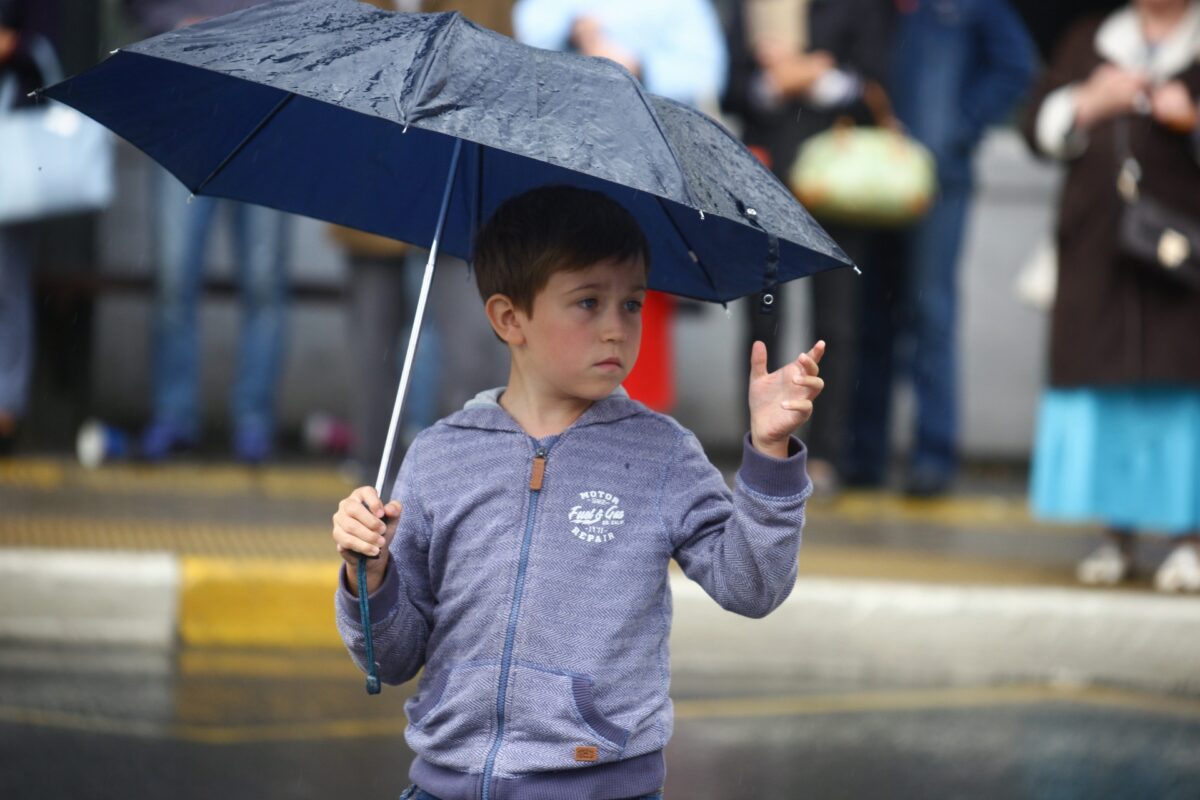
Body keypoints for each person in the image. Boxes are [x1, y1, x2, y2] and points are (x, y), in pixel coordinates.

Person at [330, 186, 824, 799]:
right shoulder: (440, 455)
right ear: (509, 319)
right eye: (588, 302)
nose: (616, 329)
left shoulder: (662, 453)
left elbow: (752, 586)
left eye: (632, 303)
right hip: (443, 785)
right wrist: (370, 576)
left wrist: (771, 454)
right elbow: (391, 659)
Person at [1022, 0, 1200, 591]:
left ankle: (1189, 540)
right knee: (1107, 391)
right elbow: (1035, 127)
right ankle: (1115, 535)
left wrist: (1189, 119)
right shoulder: (1091, 38)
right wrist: (1088, 103)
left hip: (1183, 259)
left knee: (1181, 394)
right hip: (1096, 252)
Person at [845, 0, 1037, 496]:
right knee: (870, 316)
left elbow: (1016, 66)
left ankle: (933, 456)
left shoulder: (969, 7)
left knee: (931, 313)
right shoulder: (874, 10)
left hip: (937, 184)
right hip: (869, 177)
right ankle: (864, 455)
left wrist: (959, 129)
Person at [514, 0, 728, 414]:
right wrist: (574, 33)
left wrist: (638, 65)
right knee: (562, 286)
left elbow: (706, 71)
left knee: (635, 294)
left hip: (645, 175)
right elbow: (523, 38)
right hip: (564, 167)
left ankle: (637, 426)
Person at [722, 0, 895, 493]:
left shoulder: (857, 9)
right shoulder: (751, 7)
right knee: (763, 319)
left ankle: (825, 453)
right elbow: (732, 89)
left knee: (835, 322)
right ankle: (761, 442)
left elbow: (874, 88)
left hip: (836, 183)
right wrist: (776, 81)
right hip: (765, 177)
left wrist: (815, 76)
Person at [123, 0, 293, 463]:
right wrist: (176, 24)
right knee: (175, 278)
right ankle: (175, 414)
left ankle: (254, 420)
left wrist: (257, 30)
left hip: (263, 110)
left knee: (264, 282)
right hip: (187, 109)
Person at [0, 0, 58, 454]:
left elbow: (44, 27)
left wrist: (14, 43)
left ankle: (6, 405)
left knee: (9, 280)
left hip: (14, 141)